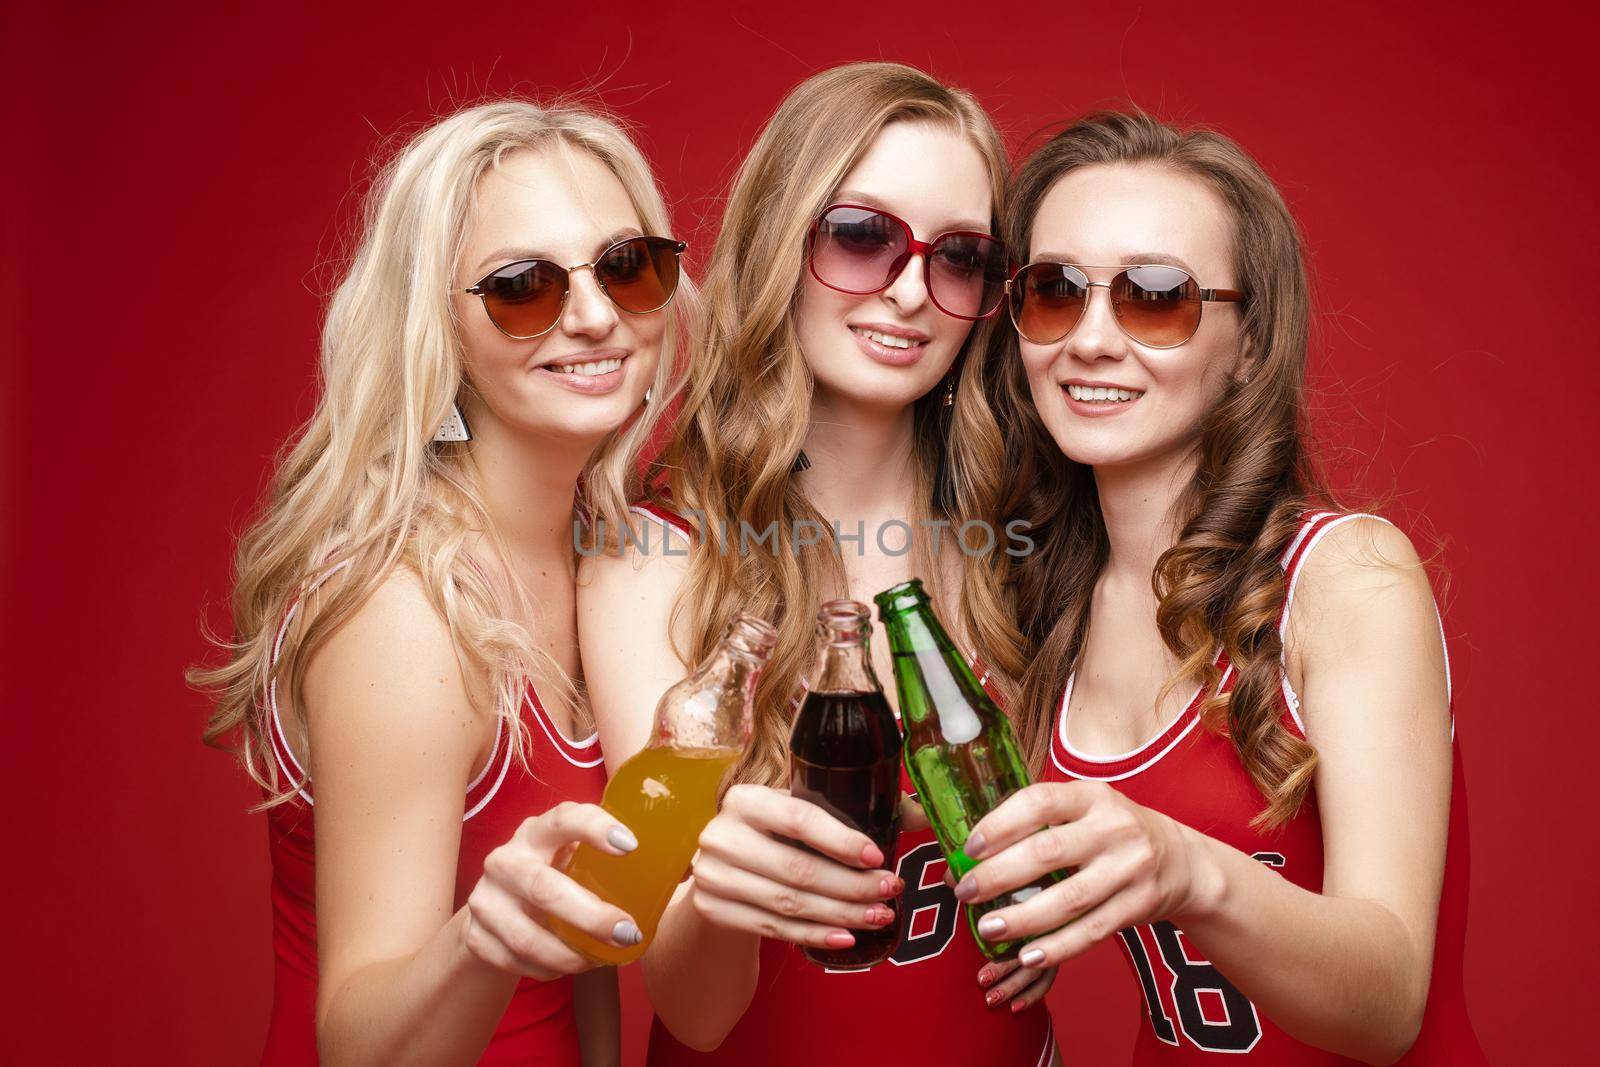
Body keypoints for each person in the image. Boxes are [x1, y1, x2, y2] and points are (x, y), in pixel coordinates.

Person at [960, 110, 1486, 1063]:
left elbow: (1390, 999)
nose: (1090, 339)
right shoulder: (1039, 605)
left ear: (1250, 343)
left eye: (1155, 297)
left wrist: (1185, 868)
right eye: (1054, 291)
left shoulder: (1343, 578)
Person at [190, 99, 692, 1065]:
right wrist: (480, 937)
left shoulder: (602, 551)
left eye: (628, 268)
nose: (593, 316)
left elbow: (576, 943)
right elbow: (356, 1047)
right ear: (439, 325)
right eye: (522, 286)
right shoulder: (407, 609)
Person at [579, 62, 1058, 1066]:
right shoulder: (653, 553)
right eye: (860, 235)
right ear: (778, 241)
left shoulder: (1022, 538)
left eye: (959, 257)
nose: (910, 290)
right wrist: (721, 887)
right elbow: (692, 1006)